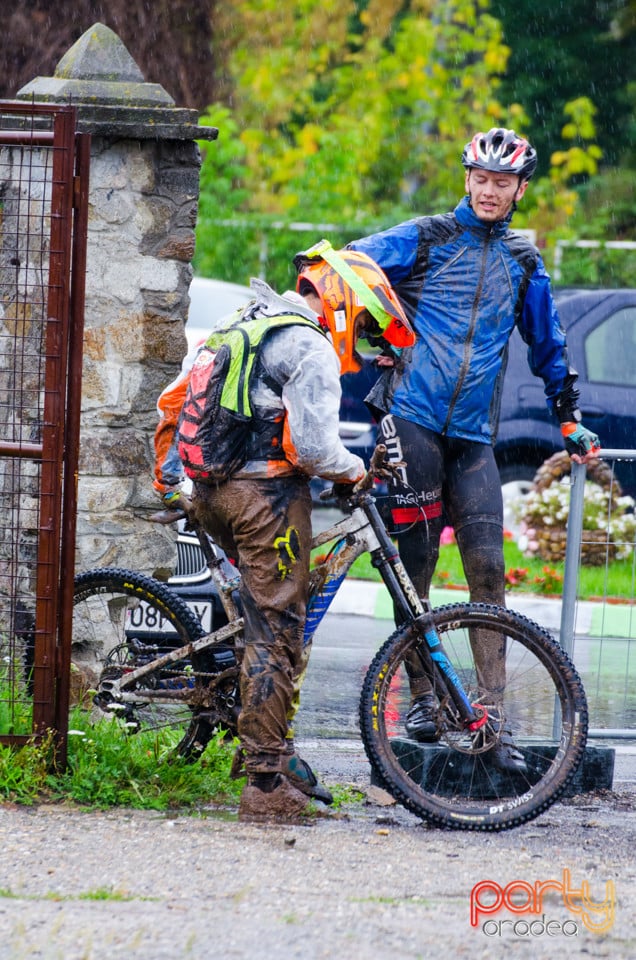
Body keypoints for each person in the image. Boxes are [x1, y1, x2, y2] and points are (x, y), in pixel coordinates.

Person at [346, 127, 601, 772]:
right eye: (481, 179)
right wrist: (375, 331)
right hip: (413, 420)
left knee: (489, 572)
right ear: (467, 180)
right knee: (418, 569)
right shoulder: (428, 236)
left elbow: (551, 346)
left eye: (503, 182)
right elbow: (345, 265)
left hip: (473, 438)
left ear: (519, 190)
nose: (490, 191)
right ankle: (425, 701)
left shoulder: (523, 260)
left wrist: (568, 418)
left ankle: (490, 716)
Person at [153, 244, 415, 821]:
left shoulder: (243, 319)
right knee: (278, 630)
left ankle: (266, 740)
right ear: (344, 300)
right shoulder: (309, 344)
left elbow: (169, 401)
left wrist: (170, 481)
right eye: (367, 321)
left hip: (212, 493)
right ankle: (266, 783)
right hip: (265, 499)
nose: (365, 334)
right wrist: (358, 472)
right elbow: (319, 448)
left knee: (264, 615)